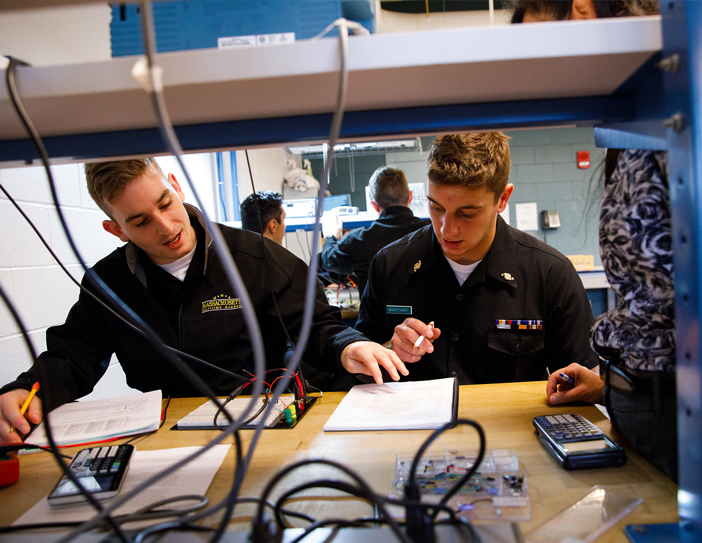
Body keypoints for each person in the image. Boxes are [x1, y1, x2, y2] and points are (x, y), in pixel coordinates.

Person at [0, 158, 407, 444]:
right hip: (162, 441)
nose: (166, 227)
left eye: (165, 203)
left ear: (176, 186)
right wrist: (24, 391)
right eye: (140, 221)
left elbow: (317, 328)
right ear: (115, 229)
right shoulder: (106, 283)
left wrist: (349, 345)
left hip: (264, 428)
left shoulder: (257, 257)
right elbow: (72, 359)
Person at [510, 0, 677, 483]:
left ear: (581, 8)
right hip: (638, 412)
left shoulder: (676, 95)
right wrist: (608, 386)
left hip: (676, 420)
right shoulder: (633, 118)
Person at [356, 133, 598, 384]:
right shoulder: (389, 265)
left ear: (502, 199)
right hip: (412, 422)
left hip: (510, 423)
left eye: (467, 213)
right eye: (436, 207)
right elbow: (357, 366)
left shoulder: (550, 274)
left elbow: (579, 384)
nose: (446, 229)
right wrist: (390, 350)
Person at [320, 166, 430, 294]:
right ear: (410, 197)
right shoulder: (430, 233)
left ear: (374, 205)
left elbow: (328, 261)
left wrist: (330, 236)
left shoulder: (359, 239)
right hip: (419, 314)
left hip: (374, 314)